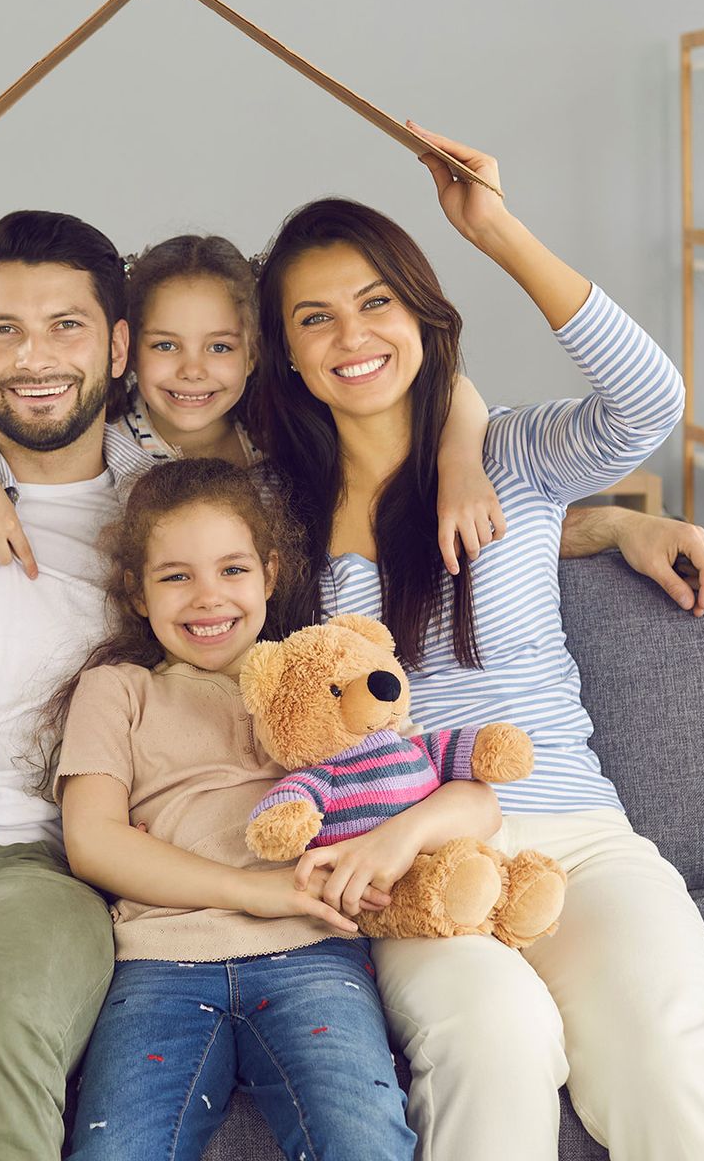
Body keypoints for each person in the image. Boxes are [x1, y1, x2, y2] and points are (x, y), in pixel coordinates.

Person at [0, 141, 704, 1159]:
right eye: (5, 330)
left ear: (113, 346)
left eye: (68, 326)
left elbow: (489, 466)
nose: (37, 356)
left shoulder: (221, 512)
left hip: (110, 859)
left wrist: (615, 518)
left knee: (661, 1059)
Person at [249, 120, 704, 1160]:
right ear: (289, 353)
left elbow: (650, 401)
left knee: (667, 1052)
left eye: (376, 302)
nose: (353, 336)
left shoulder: (513, 457)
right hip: (408, 859)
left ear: (422, 313)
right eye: (317, 319)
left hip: (576, 827)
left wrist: (495, 226)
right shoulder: (273, 517)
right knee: (497, 1038)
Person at [56, 457, 458, 1159]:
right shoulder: (117, 691)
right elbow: (94, 842)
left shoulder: (327, 684)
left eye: (232, 570)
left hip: (312, 955)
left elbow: (447, 786)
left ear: (271, 575)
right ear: (138, 593)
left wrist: (403, 835)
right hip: (159, 963)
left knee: (364, 1139)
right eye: (176, 576)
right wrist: (254, 890)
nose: (208, 598)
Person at [0, 232, 509, 580]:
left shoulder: (283, 439)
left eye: (220, 347)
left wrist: (461, 463)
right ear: (125, 348)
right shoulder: (103, 443)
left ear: (254, 354)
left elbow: (449, 388)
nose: (193, 370)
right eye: (165, 345)